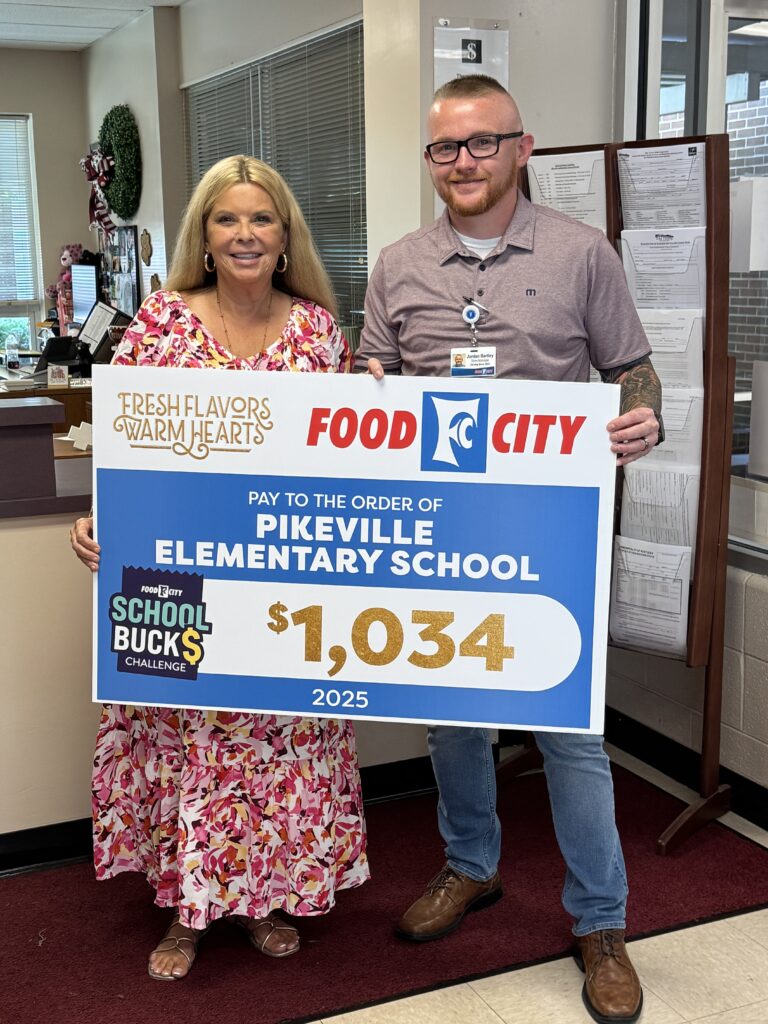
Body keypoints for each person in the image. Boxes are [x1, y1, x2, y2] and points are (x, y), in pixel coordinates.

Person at [357, 75, 662, 1024]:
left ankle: (600, 921)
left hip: (550, 532)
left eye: (481, 144)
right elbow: (373, 379)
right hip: (440, 534)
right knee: (453, 718)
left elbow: (630, 371)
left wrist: (642, 418)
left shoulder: (583, 255)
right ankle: (470, 866)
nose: (463, 164)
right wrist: (364, 389)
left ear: (521, 148)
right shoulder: (398, 264)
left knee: (570, 733)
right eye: (445, 149)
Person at [70, 155, 369, 981]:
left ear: (285, 236)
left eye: (261, 219)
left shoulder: (317, 333)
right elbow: (121, 446)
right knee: (191, 744)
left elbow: (346, 458)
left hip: (285, 585)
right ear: (204, 235)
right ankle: (186, 911)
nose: (244, 234)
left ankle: (266, 896)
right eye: (227, 219)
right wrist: (99, 516)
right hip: (180, 583)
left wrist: (382, 404)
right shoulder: (162, 322)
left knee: (279, 743)